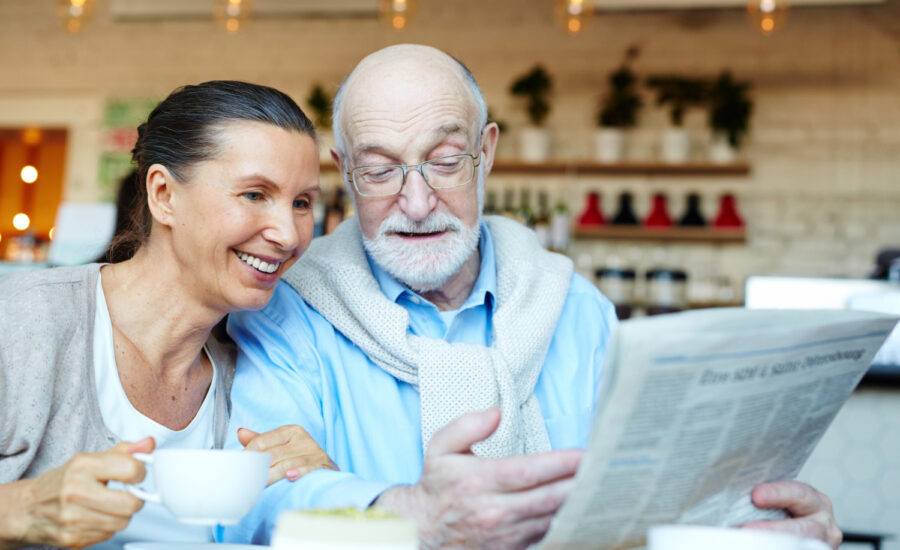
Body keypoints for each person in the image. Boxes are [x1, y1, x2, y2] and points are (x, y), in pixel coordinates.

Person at [223, 46, 842, 549]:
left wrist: (754, 522)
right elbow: (252, 500)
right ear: (347, 172)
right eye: (381, 171)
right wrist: (406, 514)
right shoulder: (289, 313)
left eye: (444, 162)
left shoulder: (578, 310)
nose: (416, 203)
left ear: (486, 154)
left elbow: (654, 499)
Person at [0, 80, 333, 550]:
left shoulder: (259, 369)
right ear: (164, 195)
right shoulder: (23, 320)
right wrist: (22, 506)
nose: (289, 234)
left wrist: (323, 492)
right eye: (255, 194)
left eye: (302, 202)